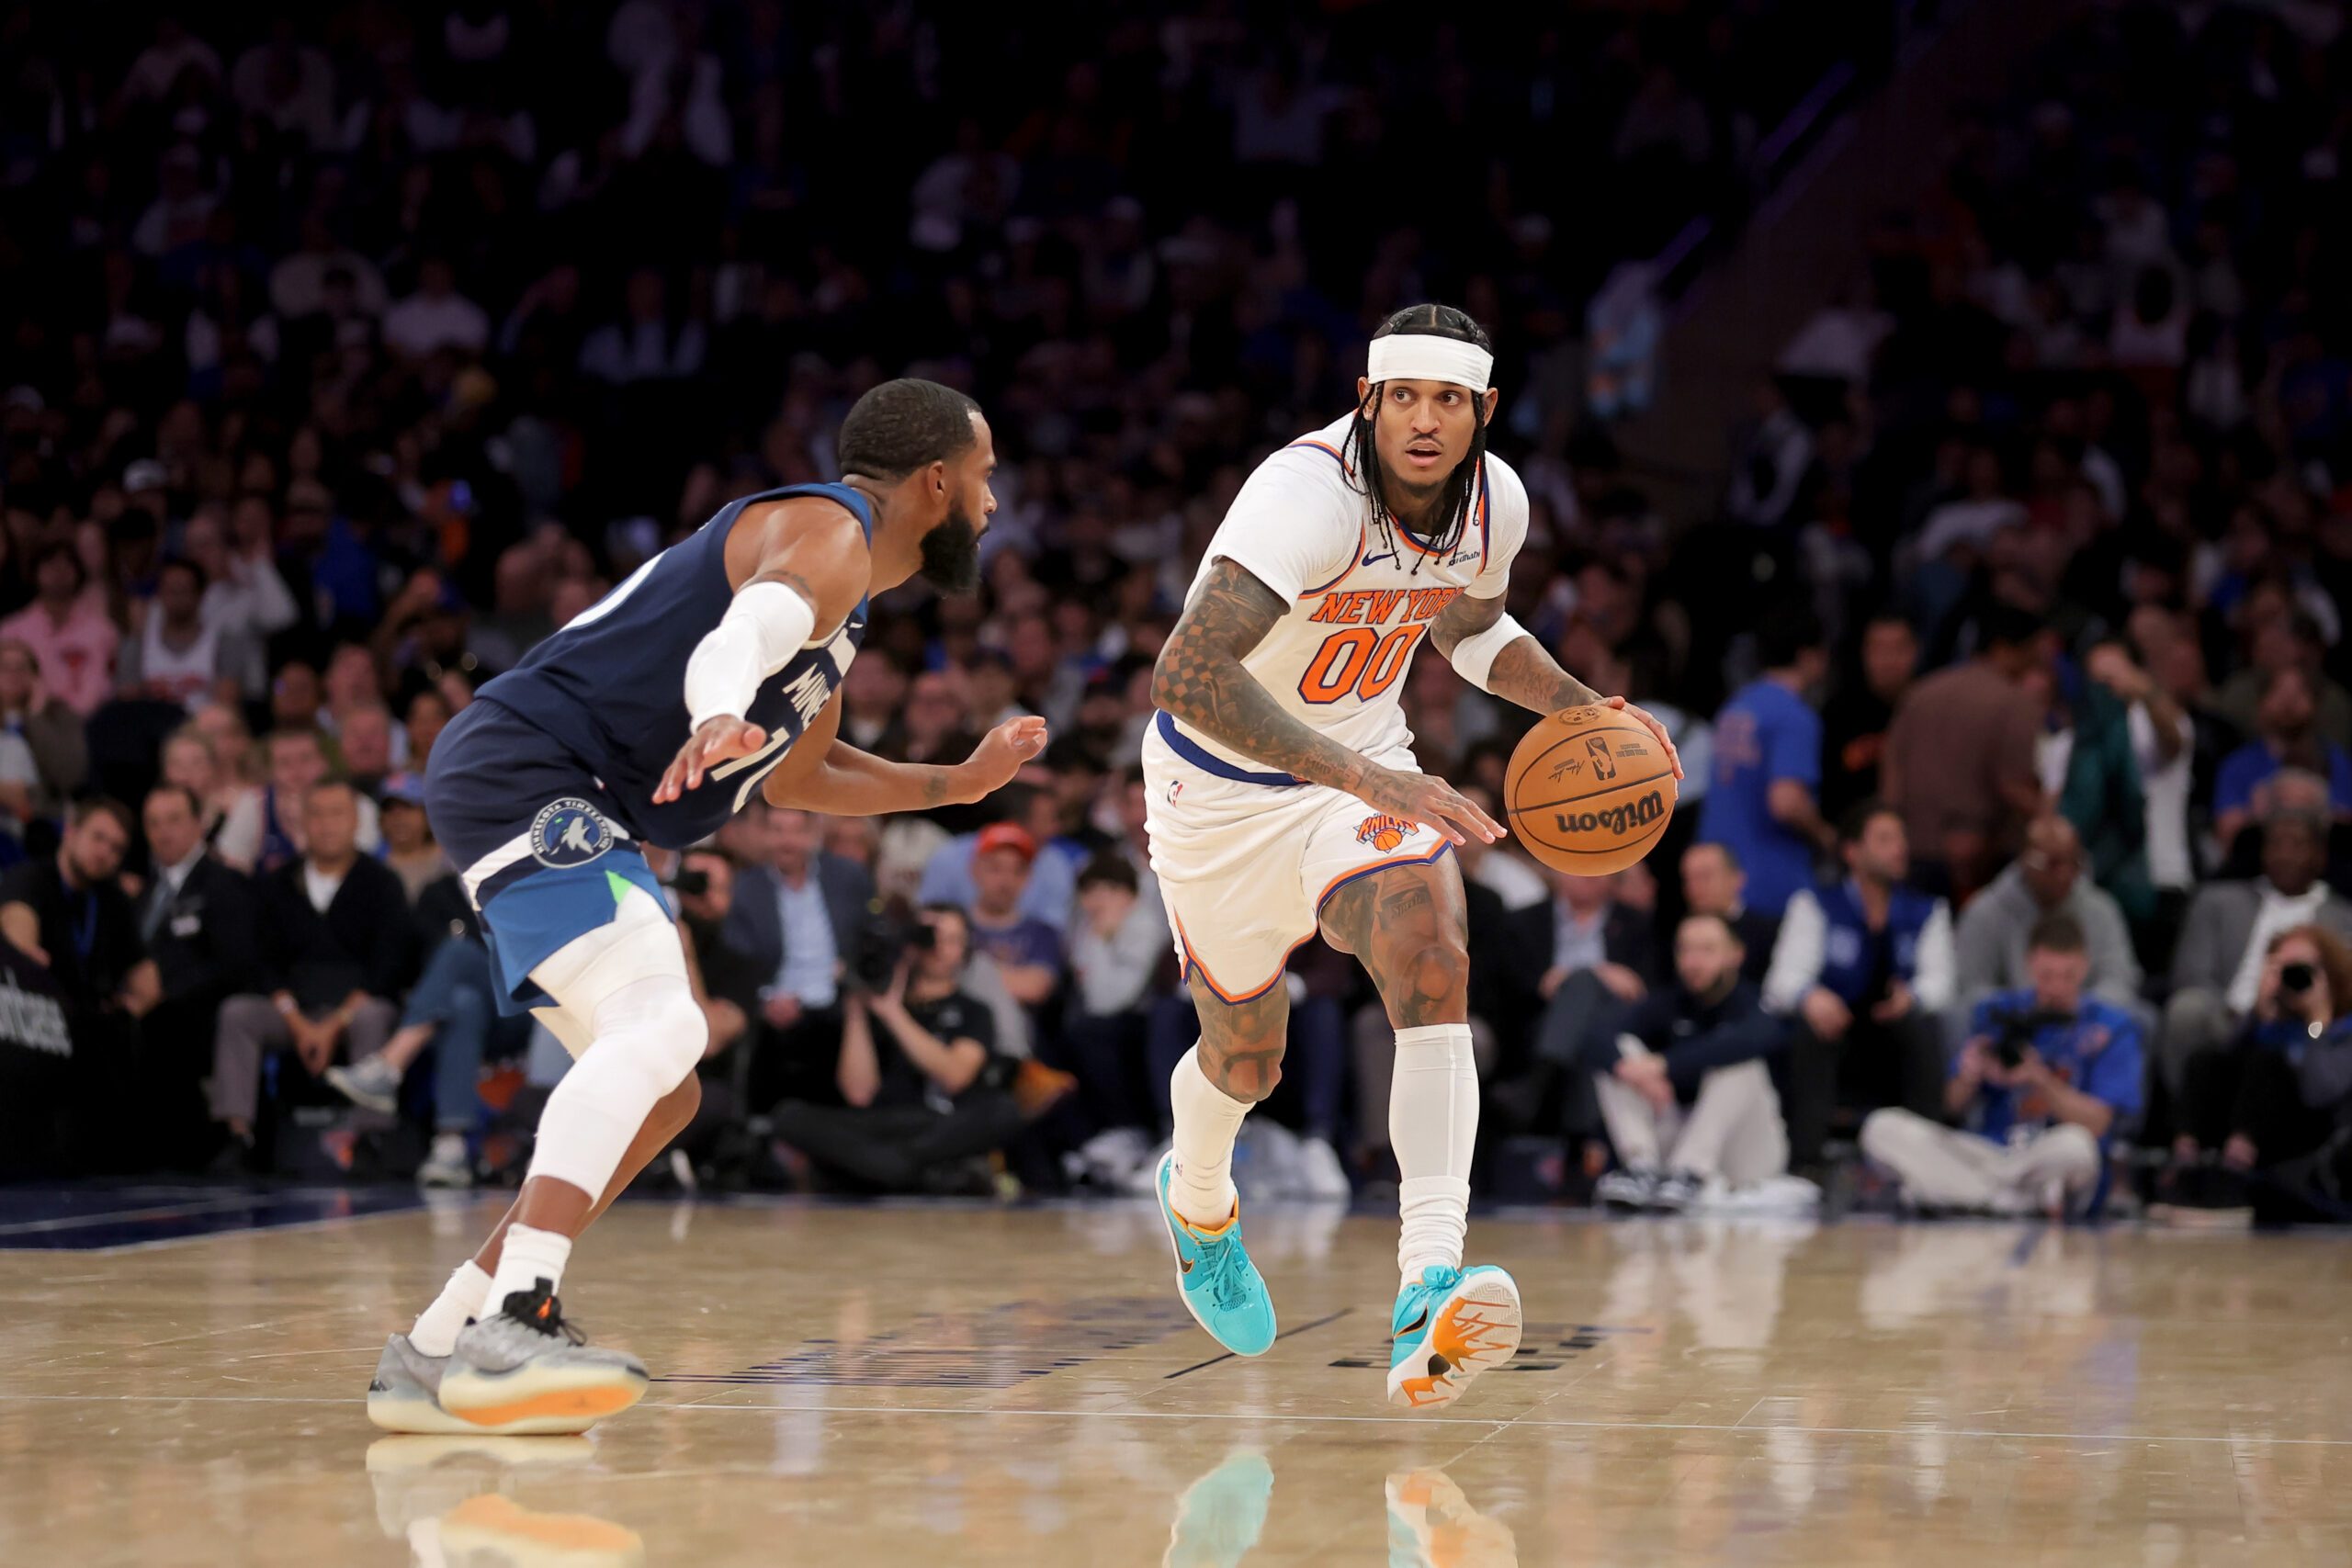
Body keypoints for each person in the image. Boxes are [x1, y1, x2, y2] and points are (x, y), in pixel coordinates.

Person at [371, 379, 1043, 1438]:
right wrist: (718, 707)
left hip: (546, 785)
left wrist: (950, 787)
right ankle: (517, 1317)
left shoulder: (850, 601)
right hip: (530, 772)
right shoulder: (830, 535)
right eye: (987, 475)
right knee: (665, 1022)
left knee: (666, 1093)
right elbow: (740, 633)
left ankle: (437, 1344)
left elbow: (798, 777)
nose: (995, 501)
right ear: (936, 482)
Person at [1141, 305, 1679, 1409]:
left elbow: (1465, 628)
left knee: (1431, 950)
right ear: (1367, 402)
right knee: (1247, 1060)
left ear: (1482, 411)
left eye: (1448, 402)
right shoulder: (1304, 496)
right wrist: (1363, 775)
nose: (1424, 423)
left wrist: (1586, 713)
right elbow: (1185, 675)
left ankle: (1427, 1280)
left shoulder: (1497, 503)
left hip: (1365, 770)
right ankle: (1197, 1203)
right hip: (1220, 790)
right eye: (1404, 400)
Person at [1861, 912, 2141, 1216]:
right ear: (2029, 965)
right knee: (1882, 1128)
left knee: (2078, 1148)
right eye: (2047, 975)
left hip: (2044, 1156)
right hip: (1985, 1152)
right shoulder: (1997, 1013)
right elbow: (1951, 1106)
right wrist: (1970, 1074)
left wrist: (2039, 1080)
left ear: (2085, 967)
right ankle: (2008, 1202)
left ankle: (1957, 1196)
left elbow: (2098, 1123)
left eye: (2068, 976)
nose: (2057, 987)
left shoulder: (2111, 1027)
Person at [209, 781, 415, 1169]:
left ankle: (371, 1137)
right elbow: (262, 964)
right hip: (294, 1011)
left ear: (356, 821)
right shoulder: (277, 883)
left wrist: (334, 1024)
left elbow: (389, 967)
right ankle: (238, 1134)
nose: (326, 824)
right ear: (303, 823)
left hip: (356, 1008)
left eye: (337, 813)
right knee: (238, 1013)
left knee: (374, 1016)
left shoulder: (381, 883)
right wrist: (299, 1023)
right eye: (316, 814)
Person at [767, 904, 1024, 1192]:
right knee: (789, 1116)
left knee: (1004, 1110)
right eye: (928, 935)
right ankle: (915, 1174)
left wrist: (894, 1014)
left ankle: (881, 1170)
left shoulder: (973, 1011)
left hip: (937, 1125)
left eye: (951, 940)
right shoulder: (873, 1003)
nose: (937, 947)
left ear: (965, 951)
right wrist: (857, 1008)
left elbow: (955, 1076)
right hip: (877, 1126)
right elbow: (859, 1093)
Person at [1764, 801, 1955, 1169]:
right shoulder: (1816, 904)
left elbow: (1942, 983)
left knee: (1922, 1026)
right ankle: (1806, 1164)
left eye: (1901, 839)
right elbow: (1782, 982)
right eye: (1885, 839)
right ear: (1852, 852)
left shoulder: (1927, 910)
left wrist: (1912, 996)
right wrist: (1810, 996)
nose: (1899, 848)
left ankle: (1930, 1162)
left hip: (1894, 1036)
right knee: (1809, 1027)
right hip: (1838, 1034)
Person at [1589, 913, 1808, 1213]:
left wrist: (1665, 1065)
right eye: (1685, 950)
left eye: (1707, 950)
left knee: (1740, 1063)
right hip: (1679, 1135)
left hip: (1747, 1151)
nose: (1693, 961)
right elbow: (1597, 1034)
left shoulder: (1753, 1004)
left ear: (1735, 954)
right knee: (1623, 1052)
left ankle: (1689, 1172)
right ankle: (1641, 1167)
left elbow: (1750, 1040)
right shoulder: (1669, 1002)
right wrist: (1629, 1070)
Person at [2155, 805, 2352, 1133]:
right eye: (2275, 844)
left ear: (2319, 855)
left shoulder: (2345, 918)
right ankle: (2184, 1139)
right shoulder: (2217, 901)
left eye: (2297, 845)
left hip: (2310, 1029)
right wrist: (2253, 1013)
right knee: (2191, 1019)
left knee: (2271, 1064)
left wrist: (2315, 1017)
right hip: (2235, 1019)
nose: (2284, 854)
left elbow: (2340, 1002)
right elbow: (2190, 975)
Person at [2160, 925, 2352, 1223]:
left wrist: (2317, 1019)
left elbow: (2320, 1092)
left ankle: (2236, 1172)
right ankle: (2187, 1163)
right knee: (2204, 1060)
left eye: (2300, 968)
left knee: (2268, 1063)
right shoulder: (2268, 1024)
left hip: (2307, 1141)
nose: (2291, 976)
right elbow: (2225, 1068)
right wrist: (2260, 1012)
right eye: (2280, 966)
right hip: (2250, 1122)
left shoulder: (2342, 1029)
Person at [1880, 601, 2045, 900]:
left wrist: (1888, 839)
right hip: (1981, 864)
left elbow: (1891, 777)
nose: (2034, 664)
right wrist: (2053, 820)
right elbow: (2014, 787)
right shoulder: (2016, 702)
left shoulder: (1919, 693)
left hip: (1912, 853)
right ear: (2003, 649)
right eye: (2030, 653)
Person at [134, 784, 257, 1165]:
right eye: (153, 823)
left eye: (174, 820)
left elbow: (236, 964)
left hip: (199, 1016)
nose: (163, 832)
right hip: (147, 1009)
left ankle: (181, 1152)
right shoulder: (144, 892)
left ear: (197, 824)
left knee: (160, 1029)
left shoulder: (222, 883)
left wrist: (166, 990)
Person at [1696, 605, 1831, 916]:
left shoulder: (1736, 707)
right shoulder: (1794, 716)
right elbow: (1786, 802)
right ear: (1808, 655)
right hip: (1768, 883)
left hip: (1715, 877)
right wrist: (1827, 836)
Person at [1954, 814, 2142, 1015]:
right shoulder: (1985, 912)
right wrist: (2027, 1006)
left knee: (2142, 1017)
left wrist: (2079, 1007)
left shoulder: (2101, 909)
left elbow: (2120, 978)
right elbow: (1972, 987)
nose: (2064, 874)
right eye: (2053, 864)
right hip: (2012, 1024)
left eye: (2073, 863)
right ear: (2025, 860)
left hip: (2085, 1022)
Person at [2213, 666, 2352, 852]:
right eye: (2279, 692)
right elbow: (2227, 837)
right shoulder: (2237, 766)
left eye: (2299, 693)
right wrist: (2261, 810)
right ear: (2262, 702)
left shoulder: (2336, 761)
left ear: (2316, 704)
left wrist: (2313, 805)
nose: (2289, 703)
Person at [1820, 613, 1917, 821]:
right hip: (1853, 839)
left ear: (1916, 651)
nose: (1889, 660)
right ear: (1864, 653)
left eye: (1899, 649)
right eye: (1879, 649)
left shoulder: (1930, 709)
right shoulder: (1838, 712)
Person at [1679, 841, 1777, 986]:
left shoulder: (1767, 933)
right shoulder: (1676, 931)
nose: (1694, 888)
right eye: (1688, 879)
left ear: (1737, 879)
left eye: (1705, 877)